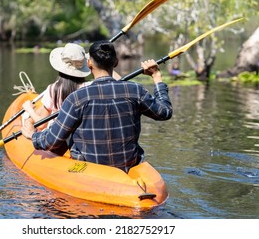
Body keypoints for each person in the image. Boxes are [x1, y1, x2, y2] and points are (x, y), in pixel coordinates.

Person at [21, 40, 172, 172]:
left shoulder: (76, 98)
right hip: (127, 165)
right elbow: (164, 112)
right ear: (116, 62)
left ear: (89, 63)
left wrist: (32, 135)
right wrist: (156, 76)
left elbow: (52, 140)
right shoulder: (135, 90)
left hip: (91, 169)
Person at [22, 43, 91, 130]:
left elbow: (41, 124)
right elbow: (112, 78)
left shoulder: (53, 89)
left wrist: (29, 109)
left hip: (60, 136)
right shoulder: (90, 87)